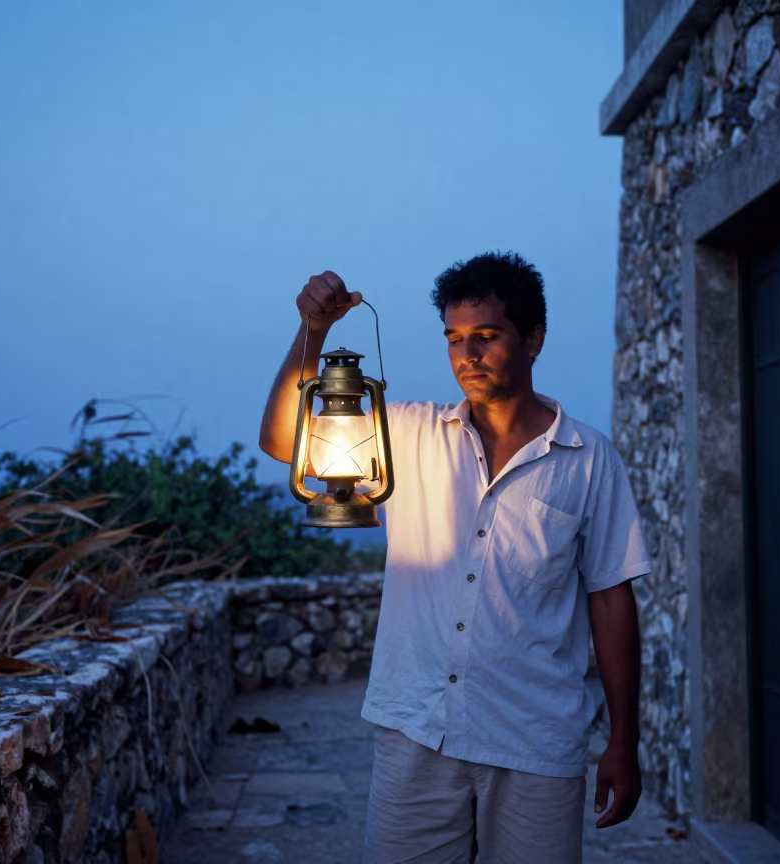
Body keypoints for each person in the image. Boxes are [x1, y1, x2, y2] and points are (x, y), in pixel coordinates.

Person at [258, 251, 650, 864]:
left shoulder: (589, 459)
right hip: (416, 731)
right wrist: (314, 332)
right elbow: (283, 440)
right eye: (453, 338)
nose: (467, 354)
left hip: (534, 741)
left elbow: (610, 595)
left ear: (534, 339)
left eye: (486, 336)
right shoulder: (405, 435)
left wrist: (624, 739)